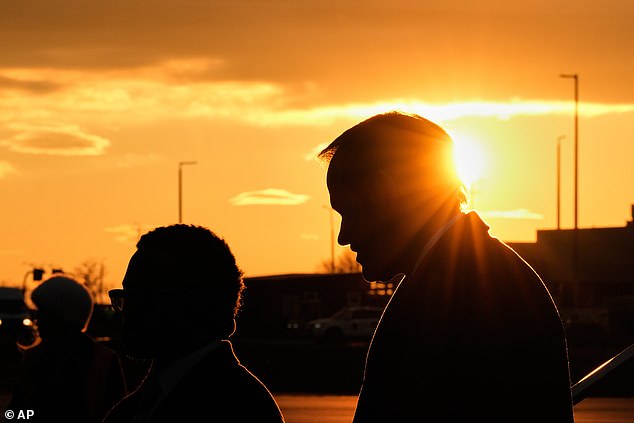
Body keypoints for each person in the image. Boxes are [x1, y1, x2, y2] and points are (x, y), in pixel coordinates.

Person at [318, 111, 574, 422]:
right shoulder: (491, 277)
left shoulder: (453, 295)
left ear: (385, 192)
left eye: (348, 211)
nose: (344, 236)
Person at [102, 224, 285, 423]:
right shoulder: (133, 408)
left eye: (140, 296)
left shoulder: (243, 407)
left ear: (191, 302)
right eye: (125, 296)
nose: (127, 310)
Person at [7, 275, 127, 423]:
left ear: (61, 317)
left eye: (43, 311)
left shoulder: (103, 361)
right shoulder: (34, 357)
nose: (36, 318)